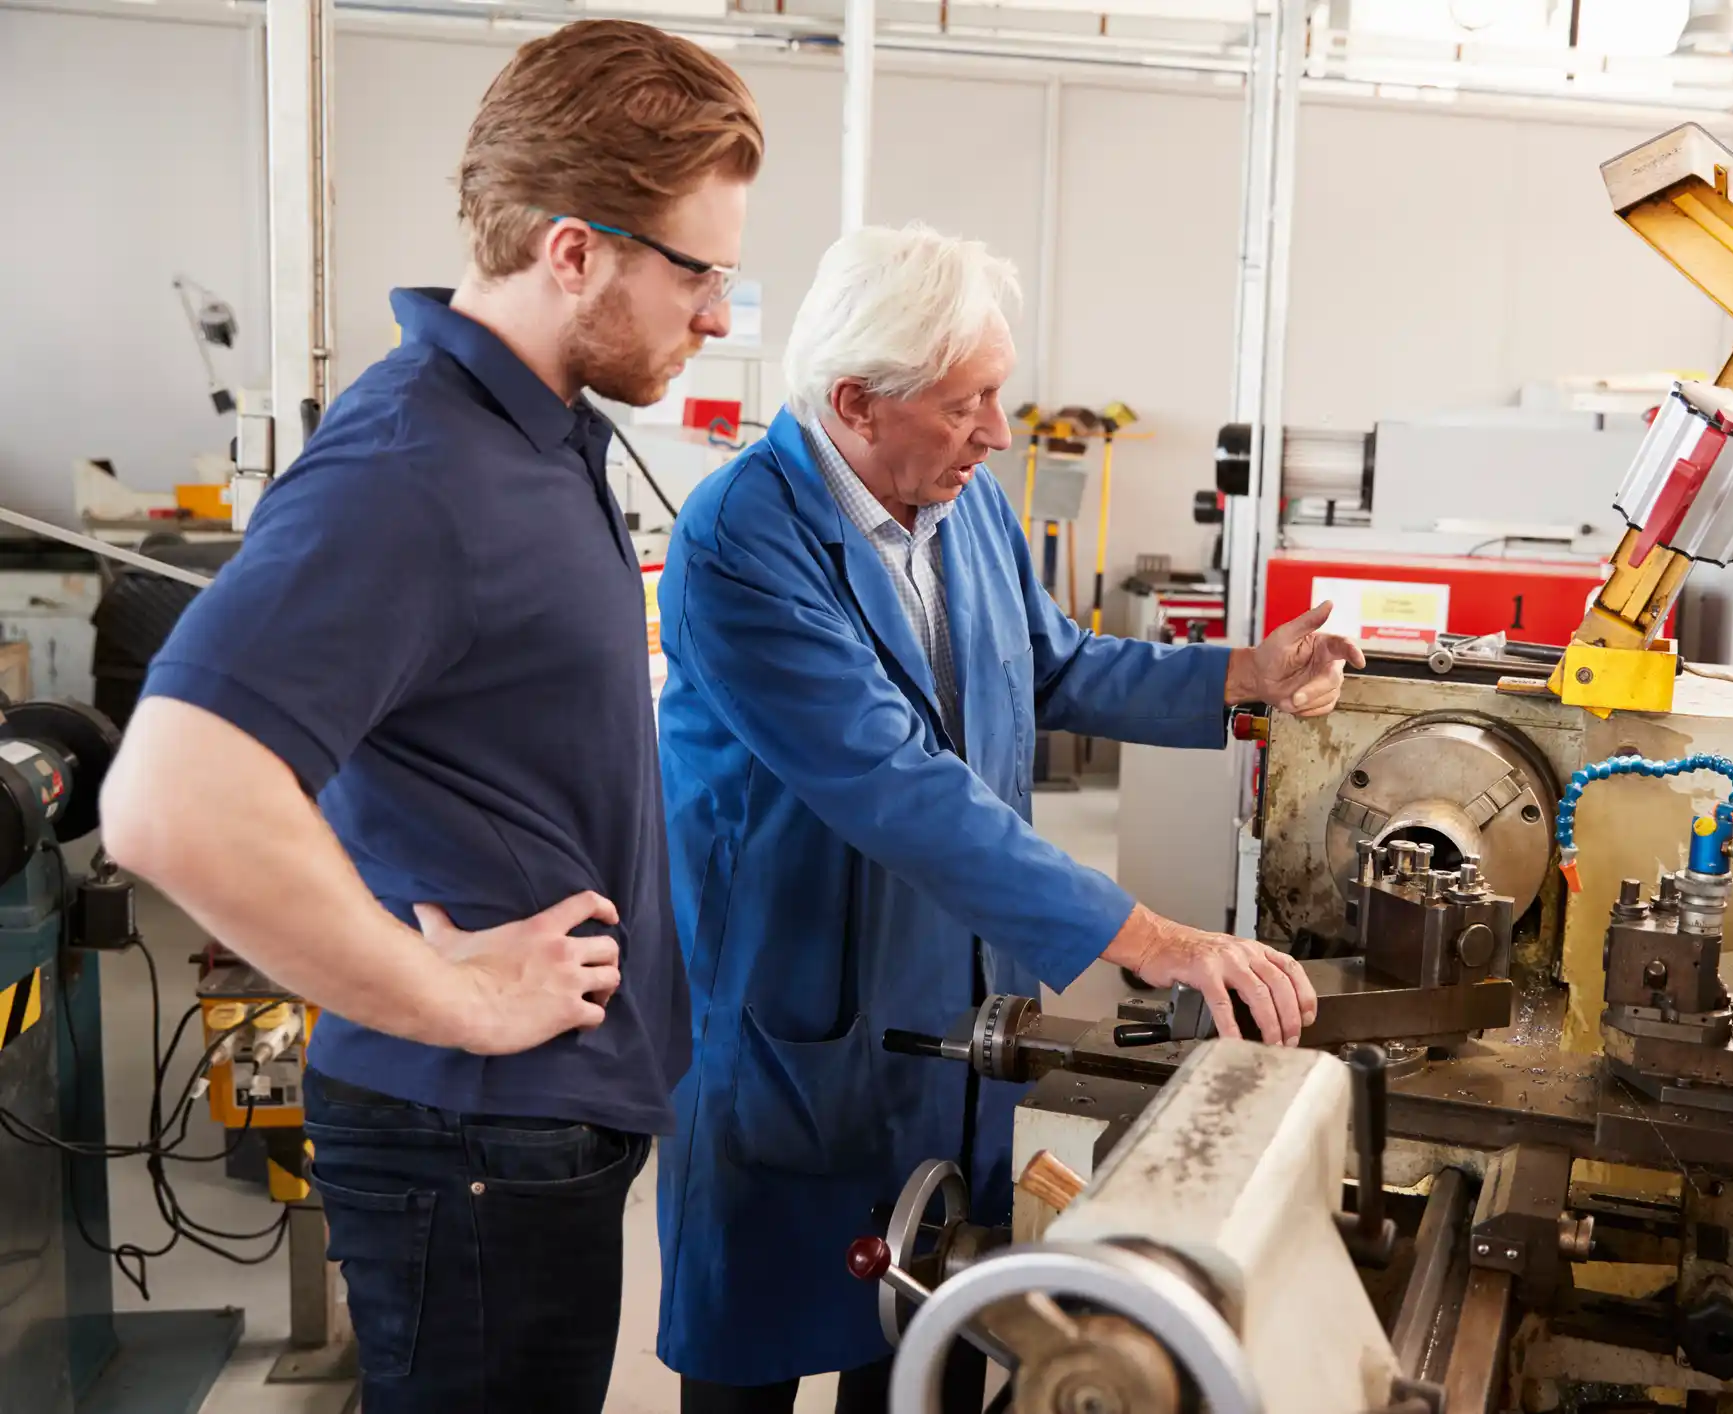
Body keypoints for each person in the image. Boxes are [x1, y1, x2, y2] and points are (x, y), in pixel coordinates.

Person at [96, 21, 762, 1413]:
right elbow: (167, 795)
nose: (715, 314)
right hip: (472, 1140)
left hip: (540, 1128)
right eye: (699, 271)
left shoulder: (532, 430)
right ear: (571, 249)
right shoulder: (417, 464)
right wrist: (445, 991)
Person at [655, 223, 1363, 1411]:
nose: (996, 429)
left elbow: (1051, 665)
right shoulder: (741, 539)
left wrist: (1244, 674)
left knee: (927, 1330)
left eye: (999, 393)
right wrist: (1158, 940)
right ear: (856, 403)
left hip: (954, 991)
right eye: (968, 400)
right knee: (762, 1347)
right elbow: (896, 784)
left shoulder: (962, 503)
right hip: (799, 1015)